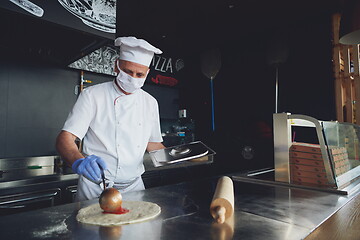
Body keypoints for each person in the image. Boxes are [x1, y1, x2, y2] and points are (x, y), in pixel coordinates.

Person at [56, 36, 166, 201]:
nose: (133, 78)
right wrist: (78, 161)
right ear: (116, 66)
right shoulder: (92, 95)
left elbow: (153, 144)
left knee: (140, 227)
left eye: (139, 74)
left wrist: (182, 157)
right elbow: (65, 138)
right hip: (96, 187)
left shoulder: (150, 102)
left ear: (147, 73)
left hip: (135, 187)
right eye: (128, 71)